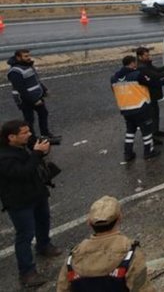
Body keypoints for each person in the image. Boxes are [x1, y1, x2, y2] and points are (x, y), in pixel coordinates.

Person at [0, 119, 62, 288]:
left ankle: (44, 245)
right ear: (11, 137)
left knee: (43, 221)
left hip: (37, 193)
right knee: (25, 235)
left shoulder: (22, 147)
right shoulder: (4, 157)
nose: (29, 135)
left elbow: (33, 165)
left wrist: (40, 152)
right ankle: (27, 272)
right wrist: (36, 153)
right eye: (24, 133)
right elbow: (23, 173)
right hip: (19, 201)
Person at [56, 196, 154, 291]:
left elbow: (62, 288)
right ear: (120, 218)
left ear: (89, 223)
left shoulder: (73, 258)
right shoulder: (130, 254)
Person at [111, 56, 160, 162]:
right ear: (132, 63)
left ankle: (128, 154)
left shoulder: (114, 78)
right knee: (146, 131)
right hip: (140, 107)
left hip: (126, 109)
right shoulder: (137, 75)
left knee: (130, 132)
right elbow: (152, 83)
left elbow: (114, 91)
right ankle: (149, 152)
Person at [7, 49, 61, 144]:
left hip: (36, 97)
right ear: (18, 57)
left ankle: (45, 135)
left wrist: (44, 90)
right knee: (29, 120)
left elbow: (36, 80)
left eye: (28, 56)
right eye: (26, 56)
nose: (29, 58)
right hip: (25, 100)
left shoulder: (28, 66)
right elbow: (21, 89)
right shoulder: (15, 72)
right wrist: (34, 100)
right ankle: (31, 141)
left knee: (43, 113)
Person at [135, 47, 164, 138]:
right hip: (149, 94)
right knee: (152, 115)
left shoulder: (146, 64)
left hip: (152, 94)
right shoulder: (142, 67)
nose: (149, 56)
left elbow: (157, 70)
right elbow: (155, 75)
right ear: (140, 57)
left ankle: (155, 131)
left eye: (149, 54)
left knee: (155, 114)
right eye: (146, 55)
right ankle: (153, 135)